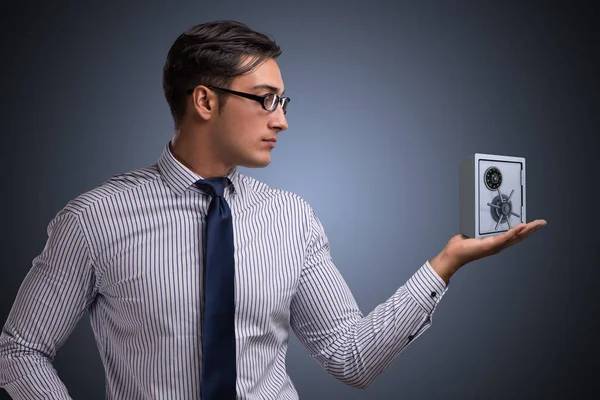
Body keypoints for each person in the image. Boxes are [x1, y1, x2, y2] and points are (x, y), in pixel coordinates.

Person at [0, 20, 546, 399]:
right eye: (265, 99)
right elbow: (20, 348)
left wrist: (444, 265)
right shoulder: (95, 219)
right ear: (205, 101)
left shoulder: (292, 219)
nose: (281, 120)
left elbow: (352, 359)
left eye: (284, 101)